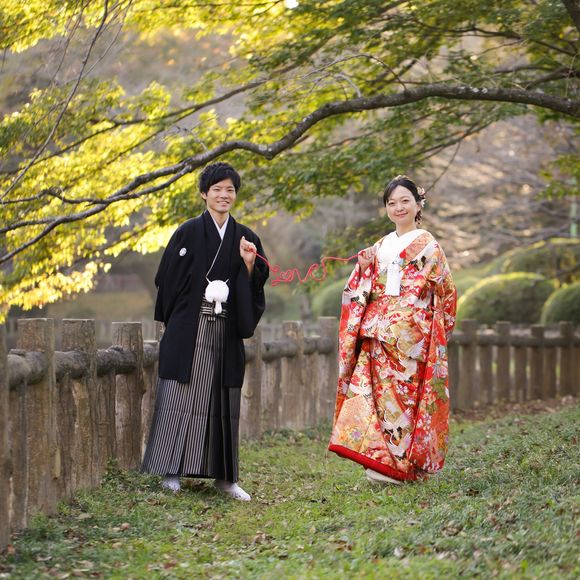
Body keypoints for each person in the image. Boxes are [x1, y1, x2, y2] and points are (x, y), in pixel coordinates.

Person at [142, 162, 268, 500]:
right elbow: (167, 279)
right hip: (191, 326)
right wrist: (180, 317)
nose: (224, 195)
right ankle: (171, 471)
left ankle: (225, 479)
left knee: (221, 400)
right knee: (180, 395)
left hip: (226, 328)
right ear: (204, 194)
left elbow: (259, 282)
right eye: (217, 190)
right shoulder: (187, 232)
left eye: (230, 190)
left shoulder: (246, 237)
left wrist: (249, 264)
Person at [328, 175, 457, 484]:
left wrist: (416, 320)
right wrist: (364, 268)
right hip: (376, 332)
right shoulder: (381, 244)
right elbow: (364, 286)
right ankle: (382, 461)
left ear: (418, 204)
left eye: (405, 201)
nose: (398, 208)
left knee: (406, 398)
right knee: (377, 397)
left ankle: (405, 467)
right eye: (392, 203)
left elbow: (446, 292)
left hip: (410, 335)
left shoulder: (429, 245)